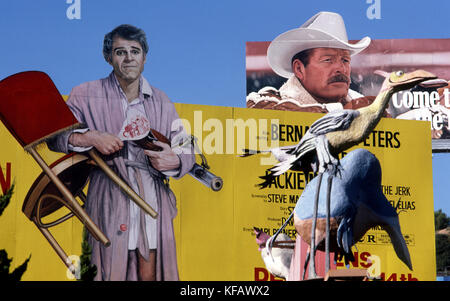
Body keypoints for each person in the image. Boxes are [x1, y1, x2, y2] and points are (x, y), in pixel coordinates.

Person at [48, 24, 195, 281]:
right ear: (108, 57)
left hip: (152, 196)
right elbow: (55, 137)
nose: (129, 58)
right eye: (120, 52)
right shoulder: (85, 94)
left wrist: (175, 158)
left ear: (144, 57)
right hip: (109, 193)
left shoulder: (161, 100)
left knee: (152, 266)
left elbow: (185, 143)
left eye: (135, 51)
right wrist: (90, 137)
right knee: (109, 267)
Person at [246, 11, 372, 113]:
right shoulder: (264, 103)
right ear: (299, 69)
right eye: (328, 60)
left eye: (345, 60)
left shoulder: (362, 103)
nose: (341, 68)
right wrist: (347, 112)